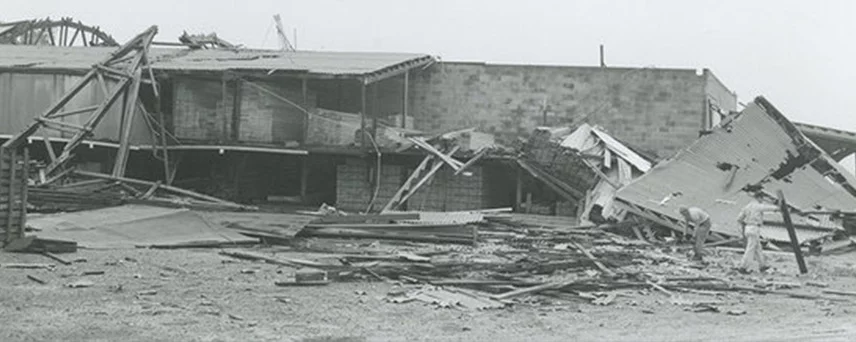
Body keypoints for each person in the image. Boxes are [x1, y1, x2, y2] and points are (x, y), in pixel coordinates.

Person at [736, 192, 780, 273]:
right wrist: (777, 208)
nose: (762, 200)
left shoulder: (747, 206)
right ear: (759, 197)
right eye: (762, 198)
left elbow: (739, 218)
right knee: (750, 249)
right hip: (754, 228)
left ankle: (762, 265)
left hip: (747, 227)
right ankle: (743, 267)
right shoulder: (757, 205)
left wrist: (740, 228)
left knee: (758, 247)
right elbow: (766, 208)